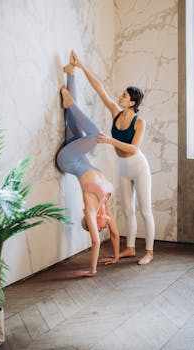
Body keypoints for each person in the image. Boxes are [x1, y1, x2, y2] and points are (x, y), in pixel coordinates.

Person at [71, 50, 155, 265]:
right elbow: (100, 89)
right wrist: (81, 66)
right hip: (123, 166)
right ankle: (129, 248)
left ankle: (149, 252)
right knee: (127, 210)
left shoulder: (139, 122)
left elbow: (134, 148)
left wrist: (110, 141)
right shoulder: (116, 112)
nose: (120, 97)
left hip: (138, 166)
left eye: (125, 96)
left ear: (132, 102)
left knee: (144, 210)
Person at [55, 56, 119, 277]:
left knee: (96, 135)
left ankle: (69, 102)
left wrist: (92, 271)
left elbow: (95, 242)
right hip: (76, 153)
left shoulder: (90, 209)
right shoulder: (105, 205)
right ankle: (70, 72)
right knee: (73, 120)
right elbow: (115, 235)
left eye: (98, 227)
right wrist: (117, 256)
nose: (101, 228)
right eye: (102, 227)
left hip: (68, 160)